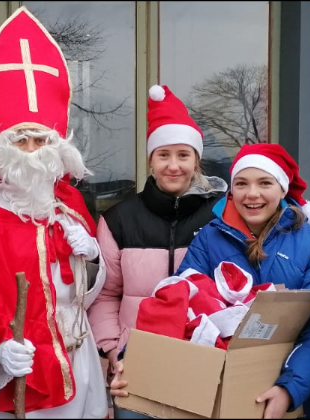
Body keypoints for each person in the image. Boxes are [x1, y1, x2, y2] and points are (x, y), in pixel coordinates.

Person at [110, 143, 310, 419]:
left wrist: (289, 389)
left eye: (264, 183)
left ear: (282, 189)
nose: (251, 194)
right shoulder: (210, 237)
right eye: (241, 183)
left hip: (294, 388)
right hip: (220, 387)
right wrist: (131, 361)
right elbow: (173, 304)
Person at [0, 6, 108, 419]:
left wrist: (92, 258)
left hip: (74, 352)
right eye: (20, 141)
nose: (31, 151)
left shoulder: (71, 203)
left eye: (40, 141)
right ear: (0, 148)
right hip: (18, 358)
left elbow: (88, 292)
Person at [88, 84, 227, 419]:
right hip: (136, 365)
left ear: (196, 160)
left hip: (203, 362)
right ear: (151, 159)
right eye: (163, 155)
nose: (173, 166)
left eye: (183, 155)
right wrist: (113, 349)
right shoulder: (119, 219)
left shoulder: (220, 215)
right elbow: (105, 294)